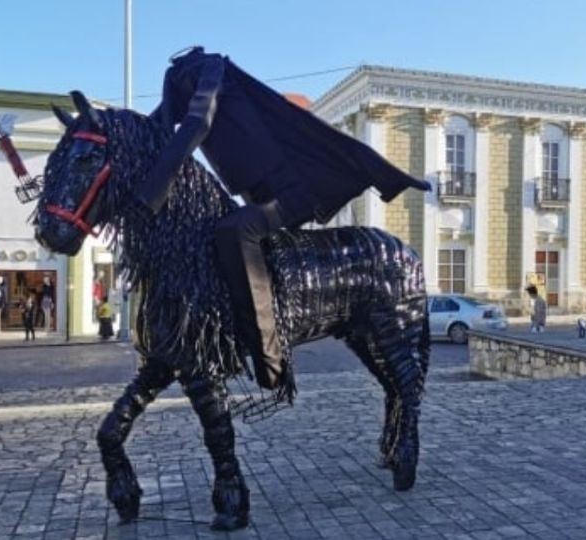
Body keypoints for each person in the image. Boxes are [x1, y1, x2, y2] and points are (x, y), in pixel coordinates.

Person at [137, 46, 431, 391]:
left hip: (295, 192)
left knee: (236, 229)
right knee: (210, 236)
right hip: (261, 197)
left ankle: (270, 355)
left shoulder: (211, 68)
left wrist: (152, 194)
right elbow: (155, 128)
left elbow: (197, 121)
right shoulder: (177, 78)